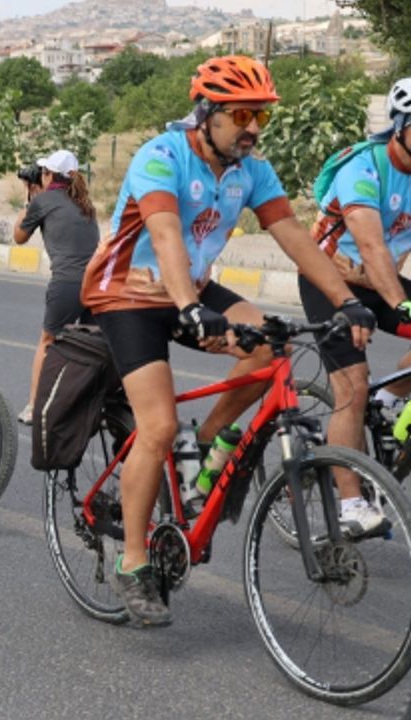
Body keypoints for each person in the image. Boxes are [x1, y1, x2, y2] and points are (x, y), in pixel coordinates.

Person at [81, 56, 376, 627]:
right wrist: (189, 310)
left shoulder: (251, 170)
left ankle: (209, 442)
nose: (253, 127)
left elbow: (295, 237)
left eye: (261, 116)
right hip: (128, 294)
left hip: (190, 287)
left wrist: (347, 299)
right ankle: (134, 561)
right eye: (242, 114)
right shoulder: (160, 157)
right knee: (158, 426)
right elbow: (165, 235)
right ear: (206, 113)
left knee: (270, 344)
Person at [300, 77, 411, 538]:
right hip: (329, 281)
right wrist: (403, 303)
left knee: (374, 391)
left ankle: (390, 399)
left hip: (376, 279)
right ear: (401, 126)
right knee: (352, 385)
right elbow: (371, 246)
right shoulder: (362, 168)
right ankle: (350, 505)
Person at [13, 149, 99, 425]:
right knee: (88, 346)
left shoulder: (44, 200)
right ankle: (89, 406)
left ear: (50, 175)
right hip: (95, 284)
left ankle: (34, 407)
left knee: (48, 342)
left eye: (44, 172)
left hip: (67, 283)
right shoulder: (85, 203)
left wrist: (31, 200)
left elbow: (19, 237)